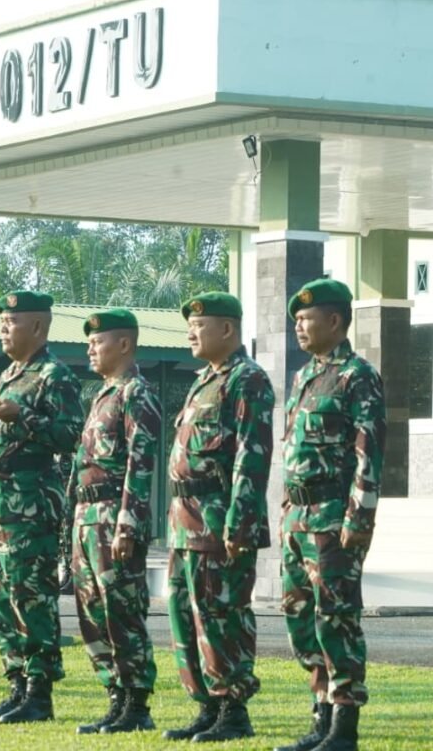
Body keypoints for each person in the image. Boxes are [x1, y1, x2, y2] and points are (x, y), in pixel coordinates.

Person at [275, 279, 385, 751]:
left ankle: (344, 726)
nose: (298, 326)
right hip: (297, 517)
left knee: (335, 619)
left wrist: (360, 518)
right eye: (296, 319)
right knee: (300, 618)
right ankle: (320, 715)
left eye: (307, 318)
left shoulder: (357, 376)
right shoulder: (304, 377)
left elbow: (369, 452)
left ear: (335, 321)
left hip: (333, 517)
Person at [163, 292, 274, 743]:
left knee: (220, 613)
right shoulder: (203, 380)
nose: (191, 331)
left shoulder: (247, 380)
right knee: (184, 615)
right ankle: (207, 703)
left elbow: (253, 455)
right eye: (190, 324)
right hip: (184, 521)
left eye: (199, 324)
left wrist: (240, 522)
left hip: (218, 521)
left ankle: (233, 708)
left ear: (226, 329)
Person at [0, 290, 84, 724]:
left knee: (30, 598)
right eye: (1, 321)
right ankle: (16, 685)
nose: (3, 328)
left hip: (28, 508)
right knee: (0, 600)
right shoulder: (9, 375)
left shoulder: (54, 376)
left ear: (38, 326)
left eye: (12, 321)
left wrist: (26, 418)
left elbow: (71, 436)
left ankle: (39, 692)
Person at [68, 308, 160, 735]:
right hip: (87, 518)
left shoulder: (135, 394)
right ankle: (115, 697)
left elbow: (140, 466)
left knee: (122, 612)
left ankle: (137, 703)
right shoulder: (101, 394)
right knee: (92, 612)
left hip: (112, 517)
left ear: (123, 344)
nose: (90, 347)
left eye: (98, 341)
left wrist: (128, 523)